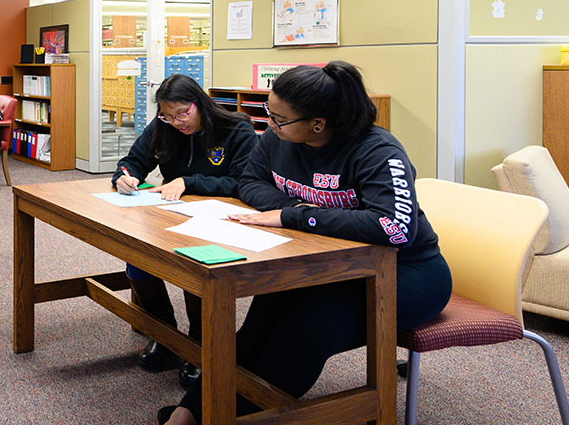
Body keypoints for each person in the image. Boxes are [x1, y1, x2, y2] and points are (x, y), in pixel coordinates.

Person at [158, 61, 452, 424]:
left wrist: (294, 216)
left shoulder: (377, 150)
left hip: (405, 273)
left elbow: (394, 227)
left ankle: (224, 417)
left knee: (307, 328)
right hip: (325, 261)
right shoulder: (277, 139)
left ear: (318, 124)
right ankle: (189, 414)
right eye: (269, 111)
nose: (271, 124)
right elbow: (251, 183)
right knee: (258, 321)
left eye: (279, 118)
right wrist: (296, 209)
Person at [111, 73, 258, 389]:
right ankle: (164, 335)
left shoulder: (236, 128)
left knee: (196, 270)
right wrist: (125, 177)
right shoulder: (163, 127)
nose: (177, 122)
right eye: (168, 115)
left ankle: (199, 344)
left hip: (223, 219)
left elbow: (246, 183)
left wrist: (190, 182)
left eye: (183, 113)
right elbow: (132, 161)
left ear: (199, 103)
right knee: (137, 258)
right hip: (173, 215)